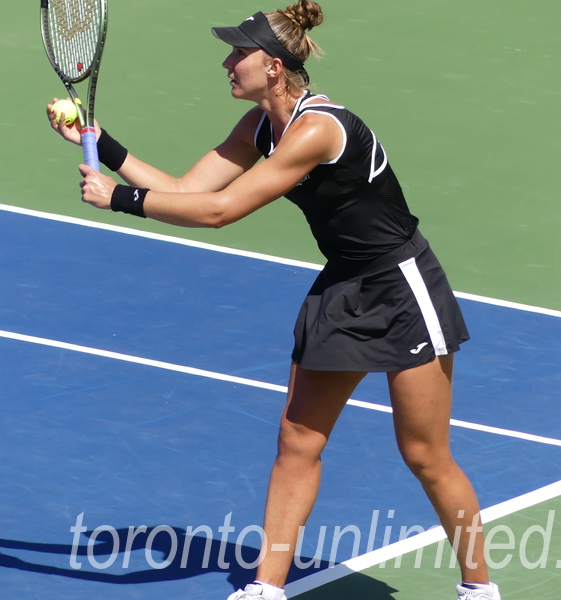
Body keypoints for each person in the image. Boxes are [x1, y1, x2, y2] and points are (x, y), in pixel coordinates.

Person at [47, 2, 501, 599]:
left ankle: (478, 589)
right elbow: (186, 189)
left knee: (423, 453)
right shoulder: (260, 126)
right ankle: (265, 589)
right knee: (296, 441)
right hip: (342, 287)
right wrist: (99, 143)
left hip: (400, 288)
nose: (228, 62)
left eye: (240, 53)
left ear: (276, 68)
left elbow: (219, 210)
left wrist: (120, 201)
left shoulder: (319, 128)